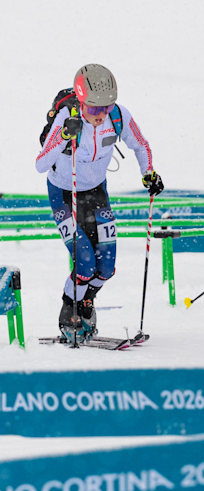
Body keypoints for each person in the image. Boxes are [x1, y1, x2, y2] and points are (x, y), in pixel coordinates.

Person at [36, 64, 161, 343]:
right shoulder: (67, 117)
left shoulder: (118, 116)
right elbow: (41, 164)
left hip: (96, 194)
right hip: (65, 194)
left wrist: (149, 174)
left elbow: (141, 145)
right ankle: (69, 307)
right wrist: (63, 137)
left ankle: (86, 302)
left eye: (106, 107)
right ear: (82, 102)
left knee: (106, 267)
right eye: (94, 108)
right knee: (84, 262)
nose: (100, 114)